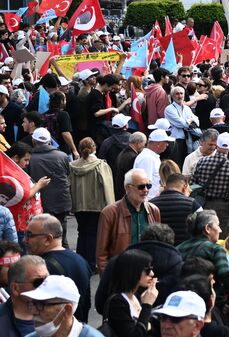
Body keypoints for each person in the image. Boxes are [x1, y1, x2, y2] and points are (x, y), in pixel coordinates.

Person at [26, 213, 91, 323]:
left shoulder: (42, 268)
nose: (25, 240)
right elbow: (87, 303)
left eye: (29, 235)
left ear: (48, 239)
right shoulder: (80, 260)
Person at [97, 168, 162, 273]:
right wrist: (108, 281)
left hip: (147, 274)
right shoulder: (109, 213)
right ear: (127, 188)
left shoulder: (154, 211)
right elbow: (101, 254)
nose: (146, 190)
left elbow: (158, 246)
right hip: (122, 275)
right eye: (141, 187)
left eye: (148, 186)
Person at [69, 136, 113, 270]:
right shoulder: (101, 165)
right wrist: (111, 207)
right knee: (93, 233)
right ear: (94, 148)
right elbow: (107, 187)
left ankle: (81, 260)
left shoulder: (73, 166)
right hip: (96, 205)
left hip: (78, 205)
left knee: (81, 232)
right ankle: (91, 262)